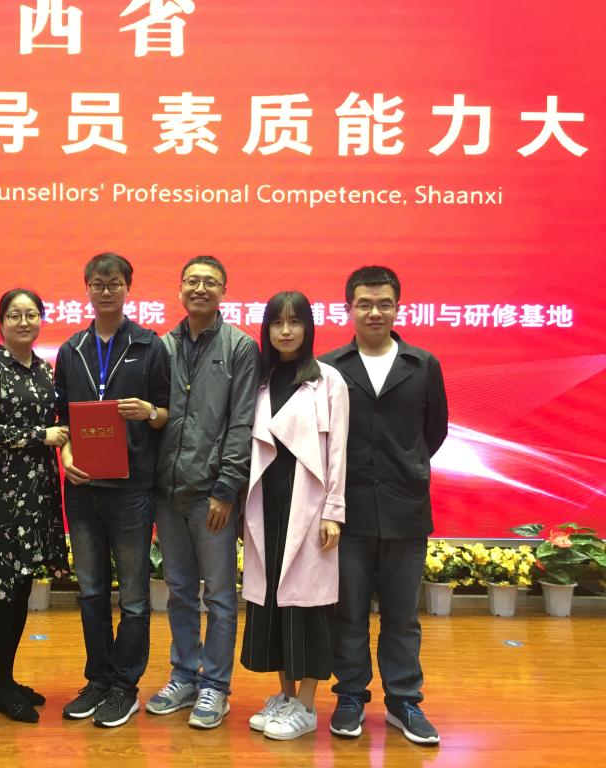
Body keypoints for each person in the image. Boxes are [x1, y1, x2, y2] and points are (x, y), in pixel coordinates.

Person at [319, 266, 448, 745]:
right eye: (365, 304)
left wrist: (406, 467)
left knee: (402, 615)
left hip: (405, 508)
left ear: (397, 307)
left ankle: (404, 701)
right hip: (348, 509)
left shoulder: (423, 364)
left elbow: (434, 431)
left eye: (384, 303)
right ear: (348, 308)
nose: (374, 312)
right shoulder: (330, 367)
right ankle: (351, 696)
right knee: (348, 612)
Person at [55, 252, 172, 728]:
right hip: (83, 488)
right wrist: (65, 457)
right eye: (98, 284)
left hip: (131, 489)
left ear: (128, 288)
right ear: (86, 288)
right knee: (90, 592)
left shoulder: (149, 346)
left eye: (114, 283)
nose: (106, 291)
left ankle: (125, 686)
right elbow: (62, 418)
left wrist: (149, 412)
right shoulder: (72, 349)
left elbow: (168, 413)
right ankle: (98, 680)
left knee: (135, 597)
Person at [147, 255, 258, 729]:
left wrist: (226, 487)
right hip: (167, 492)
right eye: (192, 280)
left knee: (219, 596)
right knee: (178, 593)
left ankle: (215, 685)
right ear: (179, 289)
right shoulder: (161, 346)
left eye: (209, 282)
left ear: (223, 291)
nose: (200, 288)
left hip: (212, 494)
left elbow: (242, 422)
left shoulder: (240, 347)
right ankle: (184, 675)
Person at [239, 291, 349, 740]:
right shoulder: (259, 379)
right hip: (266, 501)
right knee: (272, 601)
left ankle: (306, 704)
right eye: (277, 323)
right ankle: (284, 697)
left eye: (295, 322)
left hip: (309, 503)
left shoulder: (328, 380)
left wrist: (334, 510)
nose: (285, 331)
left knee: (308, 604)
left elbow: (338, 450)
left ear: (308, 327)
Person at [0, 288, 69, 723]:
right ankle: (0, 684)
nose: (24, 322)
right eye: (14, 315)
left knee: (24, 586)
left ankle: (7, 678)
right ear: (1, 323)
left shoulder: (44, 369)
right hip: (3, 495)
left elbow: (58, 422)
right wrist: (40, 436)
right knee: (3, 592)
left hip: (39, 492)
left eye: (31, 314)